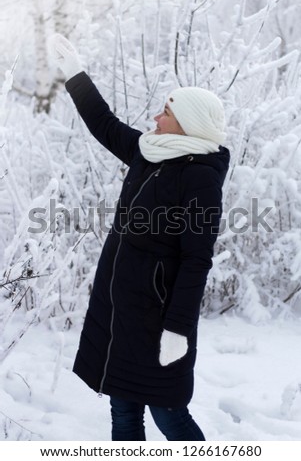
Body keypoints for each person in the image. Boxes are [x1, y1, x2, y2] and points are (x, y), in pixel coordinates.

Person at [48, 33, 230, 441]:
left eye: (165, 111)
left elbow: (196, 259)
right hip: (121, 312)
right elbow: (105, 125)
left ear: (188, 122)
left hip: (158, 321)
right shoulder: (151, 151)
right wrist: (76, 74)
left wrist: (177, 331)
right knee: (124, 414)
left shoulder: (200, 178)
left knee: (170, 417)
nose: (154, 117)